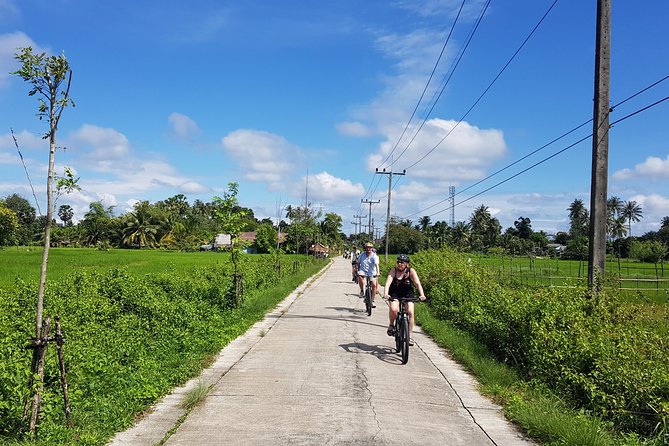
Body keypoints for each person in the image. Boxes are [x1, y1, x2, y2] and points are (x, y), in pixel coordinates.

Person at [383, 254, 425, 346]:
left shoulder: (411, 271)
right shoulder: (393, 271)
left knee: (410, 312)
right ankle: (391, 325)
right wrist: (386, 294)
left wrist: (422, 295)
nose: (399, 264)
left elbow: (417, 284)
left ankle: (409, 337)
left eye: (402, 262)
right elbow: (388, 283)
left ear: (407, 264)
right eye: (398, 262)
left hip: (407, 294)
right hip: (395, 293)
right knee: (394, 309)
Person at [356, 242, 380, 307]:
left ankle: (373, 300)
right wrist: (358, 270)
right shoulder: (362, 255)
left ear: (372, 248)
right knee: (360, 276)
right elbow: (358, 263)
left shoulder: (374, 256)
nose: (368, 249)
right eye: (367, 247)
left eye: (370, 247)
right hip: (363, 270)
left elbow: (376, 265)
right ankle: (361, 291)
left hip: (372, 272)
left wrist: (378, 272)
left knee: (374, 285)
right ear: (365, 248)